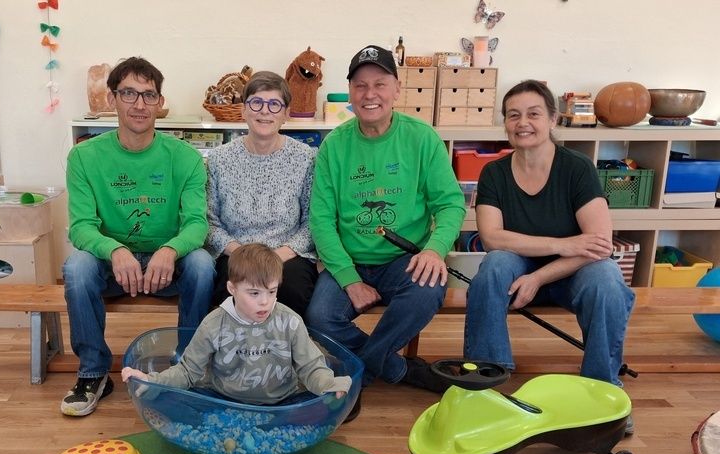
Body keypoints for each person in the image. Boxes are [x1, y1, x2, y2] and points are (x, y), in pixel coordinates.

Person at [463, 80, 635, 429]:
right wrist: (564, 243)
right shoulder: (494, 172)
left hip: (573, 273)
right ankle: (485, 382)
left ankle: (602, 391)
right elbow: (493, 238)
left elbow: (598, 243)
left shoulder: (577, 167)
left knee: (607, 278)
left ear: (553, 120)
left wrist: (539, 276)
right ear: (505, 123)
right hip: (518, 266)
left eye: (533, 114)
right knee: (494, 266)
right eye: (513, 115)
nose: (522, 122)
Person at [306, 44, 466, 410]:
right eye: (360, 86)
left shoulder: (422, 138)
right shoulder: (335, 146)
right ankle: (400, 369)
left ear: (397, 89)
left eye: (379, 84)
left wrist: (434, 249)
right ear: (350, 94)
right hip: (348, 259)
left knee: (427, 291)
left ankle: (359, 373)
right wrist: (348, 278)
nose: (370, 94)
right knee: (319, 317)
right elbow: (321, 220)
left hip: (404, 259)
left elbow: (451, 202)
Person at [61, 56, 214, 417]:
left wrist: (170, 249)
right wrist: (114, 250)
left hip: (167, 267)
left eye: (148, 95)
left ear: (160, 104)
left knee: (203, 264)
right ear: (112, 98)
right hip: (114, 268)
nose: (139, 104)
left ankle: (188, 367)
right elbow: (81, 226)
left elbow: (197, 224)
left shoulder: (186, 157)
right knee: (76, 268)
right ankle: (94, 371)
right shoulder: (83, 157)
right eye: (129, 93)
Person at [121, 243, 351, 405]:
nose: (265, 301)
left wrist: (328, 384)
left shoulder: (290, 321)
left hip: (285, 401)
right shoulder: (213, 324)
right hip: (224, 401)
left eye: (272, 291)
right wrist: (154, 381)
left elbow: (310, 367)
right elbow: (188, 372)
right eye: (254, 293)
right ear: (232, 289)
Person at [206, 71, 318, 316]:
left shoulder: (306, 158)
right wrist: (242, 254)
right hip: (235, 252)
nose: (264, 111)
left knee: (293, 290)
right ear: (244, 110)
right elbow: (209, 222)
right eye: (256, 103)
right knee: (229, 289)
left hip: (287, 255)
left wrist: (274, 258)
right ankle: (234, 352)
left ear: (286, 113)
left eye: (274, 104)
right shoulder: (219, 159)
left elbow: (312, 222)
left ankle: (285, 351)